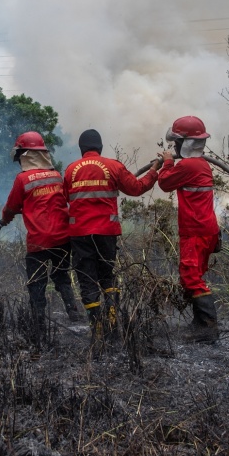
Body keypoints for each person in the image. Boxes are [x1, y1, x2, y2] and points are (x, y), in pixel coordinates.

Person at [63, 129, 165, 343]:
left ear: (81, 149)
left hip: (80, 234)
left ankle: (97, 330)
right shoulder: (113, 166)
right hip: (106, 233)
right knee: (106, 277)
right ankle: (112, 326)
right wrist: (155, 169)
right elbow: (137, 188)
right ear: (100, 148)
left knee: (87, 281)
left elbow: (63, 200)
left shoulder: (70, 170)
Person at [0, 131, 83, 341]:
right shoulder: (56, 175)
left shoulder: (23, 179)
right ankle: (73, 310)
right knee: (62, 276)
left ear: (25, 156)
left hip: (39, 241)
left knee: (37, 283)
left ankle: (39, 323)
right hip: (63, 239)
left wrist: (4, 220)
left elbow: (11, 207)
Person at [157, 116, 221, 344]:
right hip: (206, 230)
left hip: (195, 231)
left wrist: (166, 162)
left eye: (176, 142)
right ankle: (199, 323)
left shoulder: (189, 165)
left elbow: (164, 183)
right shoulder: (201, 164)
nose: (174, 147)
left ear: (186, 143)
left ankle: (207, 329)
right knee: (194, 276)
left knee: (191, 276)